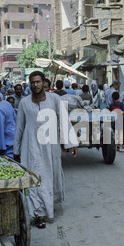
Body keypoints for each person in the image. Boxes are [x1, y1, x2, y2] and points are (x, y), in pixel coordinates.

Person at [13, 71, 78, 229]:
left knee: (49, 177)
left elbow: (64, 121)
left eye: (38, 82)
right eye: (33, 82)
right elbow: (19, 127)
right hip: (31, 148)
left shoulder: (54, 99)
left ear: (44, 83)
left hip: (51, 148)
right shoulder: (24, 103)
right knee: (35, 178)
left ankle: (47, 204)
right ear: (29, 84)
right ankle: (38, 214)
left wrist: (71, 143)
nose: (35, 85)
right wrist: (16, 149)